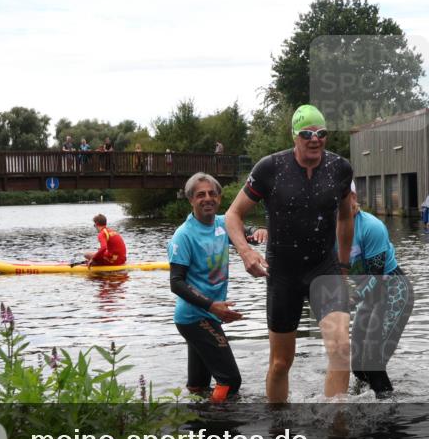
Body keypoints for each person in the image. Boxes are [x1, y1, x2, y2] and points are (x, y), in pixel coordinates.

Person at [225, 104, 354, 402]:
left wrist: (344, 264)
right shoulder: (270, 168)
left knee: (341, 351)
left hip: (325, 268)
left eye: (321, 133)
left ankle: (337, 426)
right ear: (294, 135)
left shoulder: (340, 169)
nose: (314, 139)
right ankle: (279, 430)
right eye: (307, 133)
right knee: (282, 363)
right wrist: (246, 252)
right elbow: (233, 216)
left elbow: (346, 217)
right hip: (283, 274)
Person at [169, 173, 267, 402]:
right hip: (195, 316)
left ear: (220, 199)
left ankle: (196, 426)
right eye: (201, 195)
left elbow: (247, 233)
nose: (207, 199)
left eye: (212, 194)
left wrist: (259, 231)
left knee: (198, 385)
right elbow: (176, 282)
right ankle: (218, 422)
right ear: (191, 200)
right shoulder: (183, 236)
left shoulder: (224, 224)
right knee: (230, 381)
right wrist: (211, 306)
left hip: (209, 314)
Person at [346, 180, 413, 399]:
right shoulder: (327, 230)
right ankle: (371, 400)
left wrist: (350, 300)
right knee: (357, 365)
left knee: (373, 363)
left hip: (394, 290)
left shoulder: (371, 227)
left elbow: (375, 277)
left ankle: (389, 414)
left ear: (353, 198)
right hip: (368, 297)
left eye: (342, 196)